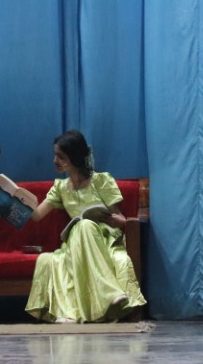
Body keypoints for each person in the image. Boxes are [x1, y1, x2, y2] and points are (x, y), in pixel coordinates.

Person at [25, 130, 146, 323]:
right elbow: (37, 215)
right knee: (81, 228)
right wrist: (16, 201)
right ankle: (108, 295)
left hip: (104, 238)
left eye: (61, 156)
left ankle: (104, 298)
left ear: (75, 157)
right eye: (55, 155)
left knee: (86, 226)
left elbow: (120, 217)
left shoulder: (101, 180)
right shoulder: (60, 187)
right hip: (76, 242)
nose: (55, 160)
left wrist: (121, 222)